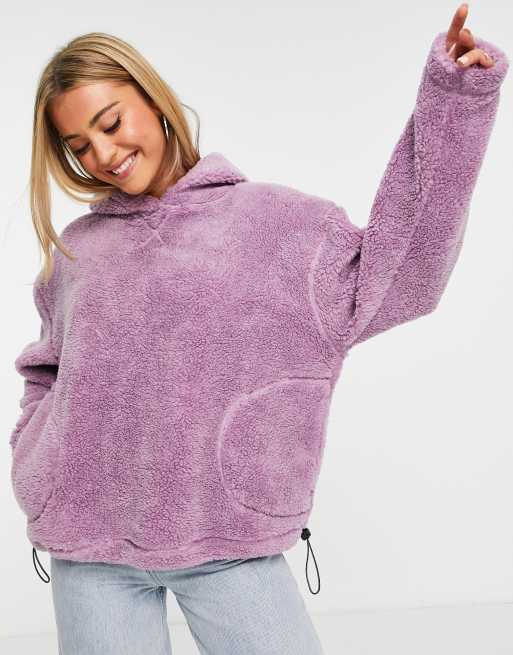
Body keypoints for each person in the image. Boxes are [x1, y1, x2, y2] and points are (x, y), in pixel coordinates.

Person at [9, 3, 508, 654]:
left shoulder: (273, 225)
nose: (103, 153)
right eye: (78, 146)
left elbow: (404, 271)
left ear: (151, 99)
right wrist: (38, 463)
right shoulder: (77, 251)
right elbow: (47, 369)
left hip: (228, 542)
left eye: (111, 123)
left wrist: (454, 100)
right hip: (88, 549)